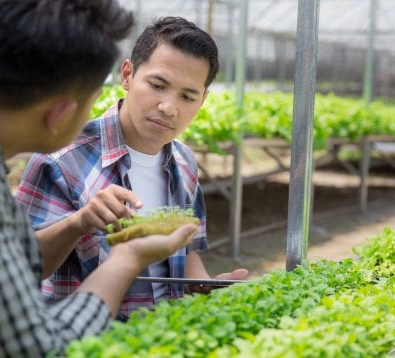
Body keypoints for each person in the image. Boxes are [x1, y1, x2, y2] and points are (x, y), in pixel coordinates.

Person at [0, 1, 200, 356]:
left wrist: (79, 224)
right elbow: (33, 350)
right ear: (61, 113)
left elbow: (15, 261)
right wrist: (127, 259)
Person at [15, 16, 248, 321]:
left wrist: (202, 285)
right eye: (157, 85)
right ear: (127, 75)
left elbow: (187, 249)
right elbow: (18, 264)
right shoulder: (60, 159)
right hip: (87, 342)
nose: (168, 107)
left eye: (188, 96)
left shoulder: (185, 162)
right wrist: (79, 222)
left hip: (161, 340)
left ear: (203, 100)